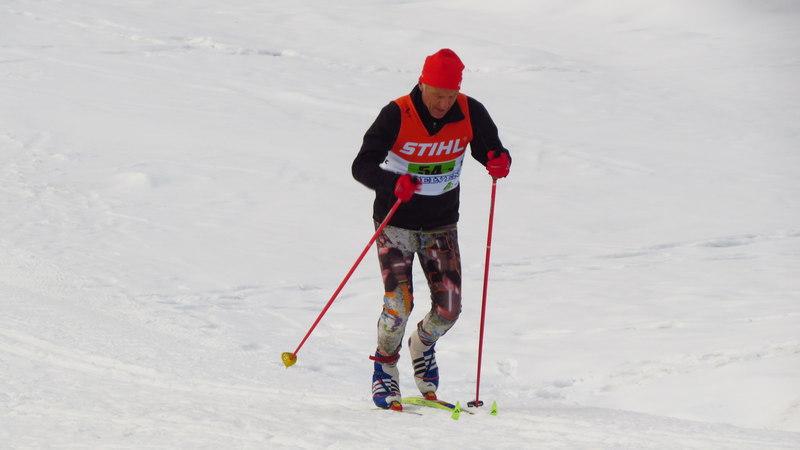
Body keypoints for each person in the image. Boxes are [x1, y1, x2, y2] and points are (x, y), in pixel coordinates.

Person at [352, 48, 511, 411]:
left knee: (449, 308)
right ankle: (384, 367)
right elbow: (362, 165)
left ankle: (422, 345)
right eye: (437, 95)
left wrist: (499, 161)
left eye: (450, 96)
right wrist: (392, 183)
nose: (443, 104)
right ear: (422, 84)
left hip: (441, 223)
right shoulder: (397, 113)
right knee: (398, 305)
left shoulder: (471, 111)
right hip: (396, 222)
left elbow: (491, 151)